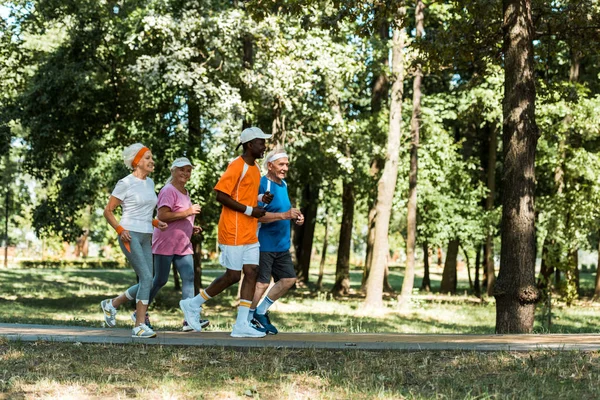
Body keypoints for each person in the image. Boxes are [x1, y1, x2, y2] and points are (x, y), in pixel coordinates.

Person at [179, 127, 272, 337]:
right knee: (232, 275)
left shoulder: (255, 168)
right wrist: (251, 210)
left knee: (252, 273)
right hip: (233, 230)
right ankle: (193, 304)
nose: (264, 146)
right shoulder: (236, 165)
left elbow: (244, 195)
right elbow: (221, 195)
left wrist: (259, 200)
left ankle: (241, 325)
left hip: (249, 231)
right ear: (250, 145)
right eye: (260, 142)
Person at [100, 143, 168, 338]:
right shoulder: (125, 183)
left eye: (151, 157)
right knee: (146, 278)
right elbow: (108, 211)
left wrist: (156, 222)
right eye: (147, 157)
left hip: (147, 234)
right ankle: (139, 325)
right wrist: (120, 230)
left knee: (149, 280)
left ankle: (112, 304)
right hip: (129, 235)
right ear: (136, 161)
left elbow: (145, 212)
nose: (151, 161)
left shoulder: (150, 183)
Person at [149, 157, 209, 332]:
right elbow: (162, 216)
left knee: (189, 279)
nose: (185, 173)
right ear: (173, 171)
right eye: (182, 169)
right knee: (159, 280)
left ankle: (189, 320)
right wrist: (188, 212)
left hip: (183, 244)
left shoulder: (185, 191)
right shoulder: (168, 190)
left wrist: (191, 225)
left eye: (188, 170)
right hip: (165, 243)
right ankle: (141, 312)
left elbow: (179, 217)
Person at [249, 147, 304, 334]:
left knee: (288, 279)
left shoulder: (284, 185)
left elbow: (284, 209)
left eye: (287, 164)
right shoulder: (263, 184)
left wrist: (296, 216)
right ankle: (247, 319)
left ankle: (260, 312)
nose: (286, 167)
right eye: (282, 164)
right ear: (270, 166)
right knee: (262, 283)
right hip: (265, 242)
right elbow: (258, 216)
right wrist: (284, 215)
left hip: (282, 244)